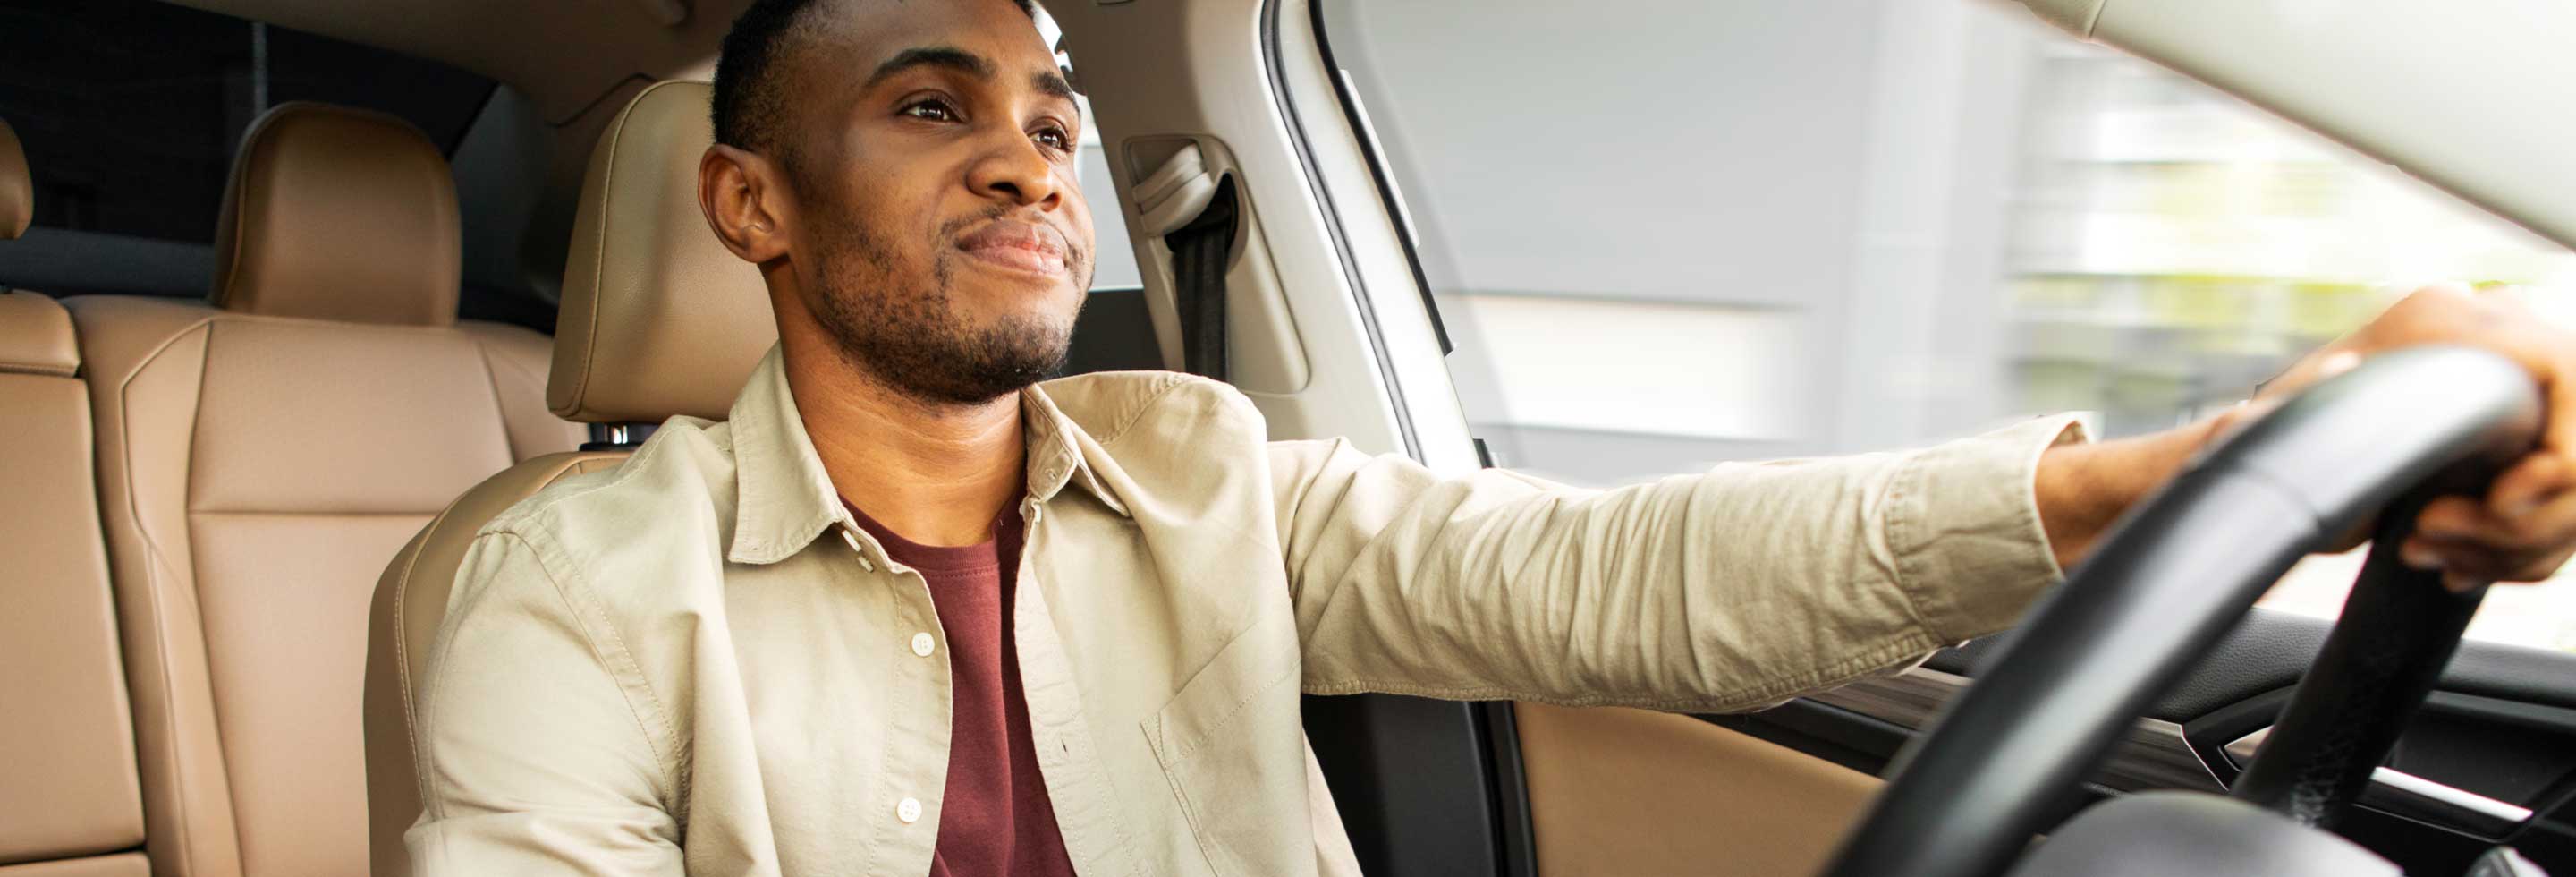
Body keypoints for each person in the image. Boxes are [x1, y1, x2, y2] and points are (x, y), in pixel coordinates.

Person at [403, 0, 2576, 873]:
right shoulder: (562, 588)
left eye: (1055, 116)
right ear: (750, 206)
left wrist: (2196, 467)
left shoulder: (1198, 474)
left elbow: (1610, 580)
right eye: (929, 106)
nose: (1033, 161)